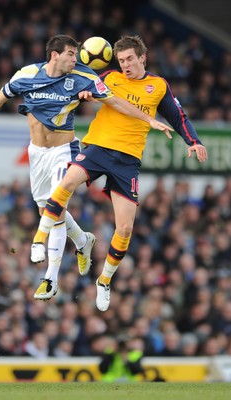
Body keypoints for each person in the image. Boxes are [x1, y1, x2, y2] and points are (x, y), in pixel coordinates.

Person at [0, 35, 171, 301]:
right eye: (71, 54)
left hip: (64, 150)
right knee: (48, 210)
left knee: (57, 208)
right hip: (37, 152)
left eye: (77, 54)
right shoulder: (27, 74)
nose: (76, 59)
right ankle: (82, 241)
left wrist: (149, 118)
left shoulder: (83, 77)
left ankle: (50, 277)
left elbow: (116, 102)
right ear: (55, 55)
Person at [31, 35, 208, 309]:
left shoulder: (158, 86)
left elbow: (177, 116)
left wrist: (193, 141)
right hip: (97, 148)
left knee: (124, 229)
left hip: (127, 161)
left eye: (129, 60)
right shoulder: (109, 77)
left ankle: (103, 281)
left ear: (142, 58)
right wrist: (84, 94)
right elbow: (82, 90)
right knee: (65, 185)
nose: (125, 65)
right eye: (121, 60)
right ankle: (39, 241)